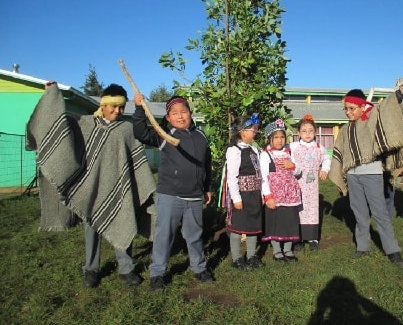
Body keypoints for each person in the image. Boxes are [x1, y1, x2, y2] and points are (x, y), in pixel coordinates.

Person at [26, 82, 156, 288]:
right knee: (91, 230)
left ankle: (126, 268)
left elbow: (136, 160)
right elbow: (61, 126)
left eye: (121, 106)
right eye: (113, 105)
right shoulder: (86, 124)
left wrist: (140, 107)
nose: (117, 110)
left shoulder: (126, 129)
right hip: (90, 188)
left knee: (123, 221)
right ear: (103, 105)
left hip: (120, 188)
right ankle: (91, 270)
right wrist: (52, 95)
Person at [133, 93, 213, 291]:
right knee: (164, 235)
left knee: (194, 235)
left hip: (194, 195)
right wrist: (139, 108)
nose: (180, 116)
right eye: (174, 113)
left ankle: (199, 267)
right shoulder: (164, 135)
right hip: (170, 195)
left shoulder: (201, 136)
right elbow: (140, 133)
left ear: (191, 114)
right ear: (168, 118)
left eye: (183, 111)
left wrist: (208, 187)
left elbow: (207, 164)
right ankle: (157, 273)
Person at [328, 79, 403, 266]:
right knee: (359, 213)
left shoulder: (372, 118)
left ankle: (393, 251)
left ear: (362, 106)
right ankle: (362, 246)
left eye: (352, 108)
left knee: (380, 212)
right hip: (352, 176)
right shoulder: (344, 129)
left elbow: (388, 107)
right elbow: (340, 154)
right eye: (346, 109)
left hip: (372, 173)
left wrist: (402, 91)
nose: (348, 112)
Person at [225, 114, 264, 271]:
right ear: (242, 131)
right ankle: (236, 258)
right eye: (253, 130)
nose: (255, 132)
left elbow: (259, 173)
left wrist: (261, 194)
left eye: (255, 130)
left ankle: (251, 255)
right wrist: (236, 198)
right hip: (242, 194)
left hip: (254, 194)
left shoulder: (254, 149)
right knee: (238, 227)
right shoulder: (234, 151)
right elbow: (232, 176)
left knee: (253, 227)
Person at [261, 119, 302, 262]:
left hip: (290, 195)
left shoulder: (290, 152)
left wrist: (292, 166)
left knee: (289, 221)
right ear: (269, 139)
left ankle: (288, 249)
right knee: (276, 222)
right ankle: (277, 249)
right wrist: (268, 196)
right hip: (275, 196)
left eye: (282, 137)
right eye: (276, 137)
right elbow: (263, 177)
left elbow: (298, 171)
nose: (279, 140)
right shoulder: (266, 155)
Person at [289, 114, 331, 252]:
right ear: (298, 132)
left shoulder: (320, 148)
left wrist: (324, 169)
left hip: (312, 185)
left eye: (310, 131)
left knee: (312, 209)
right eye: (304, 131)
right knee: (298, 209)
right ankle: (298, 238)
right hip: (296, 183)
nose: (307, 134)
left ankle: (312, 238)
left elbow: (326, 159)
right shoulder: (293, 147)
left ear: (315, 131)